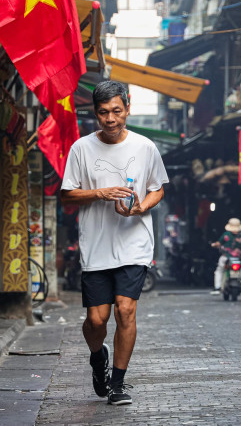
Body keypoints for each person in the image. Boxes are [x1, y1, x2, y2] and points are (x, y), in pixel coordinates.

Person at [61, 81, 169, 406]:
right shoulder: (81, 148)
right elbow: (67, 193)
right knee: (97, 320)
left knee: (126, 310)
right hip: (95, 247)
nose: (111, 119)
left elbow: (157, 188)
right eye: (104, 112)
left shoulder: (145, 147)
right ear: (96, 113)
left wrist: (142, 207)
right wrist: (101, 192)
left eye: (116, 111)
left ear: (127, 108)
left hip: (134, 243)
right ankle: (98, 357)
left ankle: (118, 384)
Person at [211, 218, 241, 293]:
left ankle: (217, 287)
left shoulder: (226, 235)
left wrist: (214, 244)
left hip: (226, 257)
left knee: (219, 270)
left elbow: (219, 243)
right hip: (238, 258)